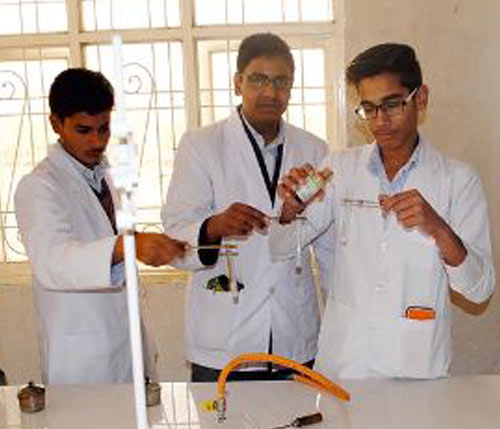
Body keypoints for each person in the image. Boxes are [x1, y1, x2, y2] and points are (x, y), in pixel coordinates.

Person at [278, 43, 495, 379]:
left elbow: (479, 290)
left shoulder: (458, 179)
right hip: (345, 365)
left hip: (416, 367)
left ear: (420, 99)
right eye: (369, 108)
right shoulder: (340, 169)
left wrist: (438, 229)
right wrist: (290, 209)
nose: (380, 121)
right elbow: (280, 247)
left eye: (392, 105)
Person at [162, 33, 331, 382]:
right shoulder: (201, 146)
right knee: (221, 419)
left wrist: (292, 216)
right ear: (238, 82)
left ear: (291, 87)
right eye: (258, 80)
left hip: (293, 334)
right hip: (224, 337)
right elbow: (176, 233)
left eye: (281, 81)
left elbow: (325, 239)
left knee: (300, 420)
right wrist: (214, 226)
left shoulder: (314, 149)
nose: (270, 92)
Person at [15, 68, 187, 384]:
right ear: (56, 123)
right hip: (80, 360)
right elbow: (52, 261)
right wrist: (126, 246)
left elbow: (112, 246)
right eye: (83, 130)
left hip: (125, 345)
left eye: (104, 129)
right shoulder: (39, 187)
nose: (97, 141)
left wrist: (155, 246)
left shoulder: (107, 177)